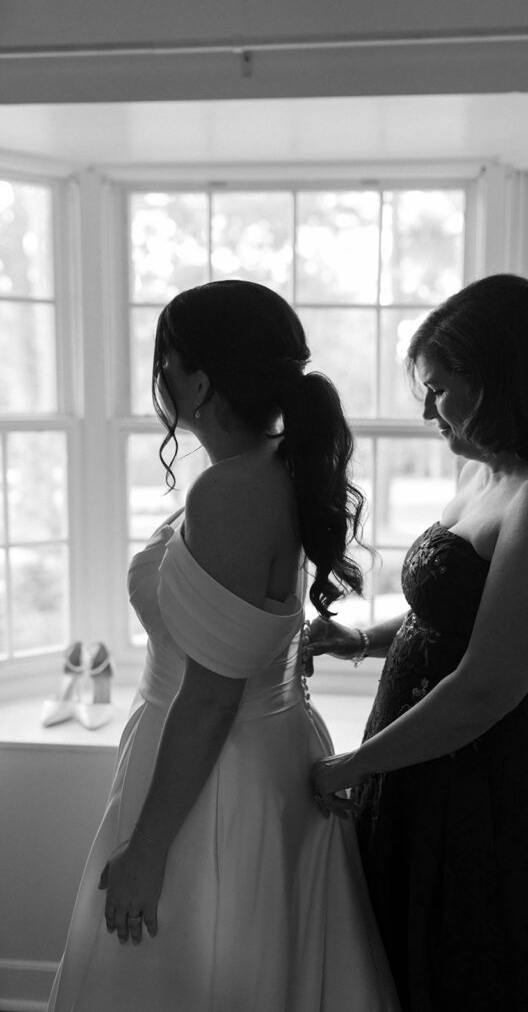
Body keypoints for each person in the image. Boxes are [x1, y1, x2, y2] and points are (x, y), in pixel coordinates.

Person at [48, 280, 399, 1012]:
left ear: (196, 380)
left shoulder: (234, 490)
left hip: (214, 772)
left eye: (162, 364)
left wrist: (148, 851)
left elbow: (209, 697)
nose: (155, 382)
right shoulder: (267, 469)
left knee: (195, 971)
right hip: (241, 750)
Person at [308, 274, 528, 1011]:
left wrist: (347, 767)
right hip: (419, 765)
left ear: (499, 379)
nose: (425, 409)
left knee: (472, 976)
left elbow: (486, 684)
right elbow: (448, 618)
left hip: (484, 791)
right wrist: (358, 639)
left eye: (439, 388)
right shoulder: (487, 474)